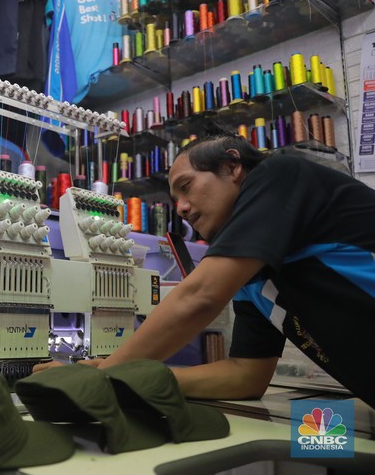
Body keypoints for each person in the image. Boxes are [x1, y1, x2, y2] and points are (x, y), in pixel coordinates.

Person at [34, 135, 375, 409]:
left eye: (186, 186)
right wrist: (128, 376)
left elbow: (200, 296)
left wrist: (104, 376)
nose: (181, 208)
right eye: (175, 200)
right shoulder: (253, 278)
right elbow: (246, 375)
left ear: (232, 167)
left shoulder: (281, 174)